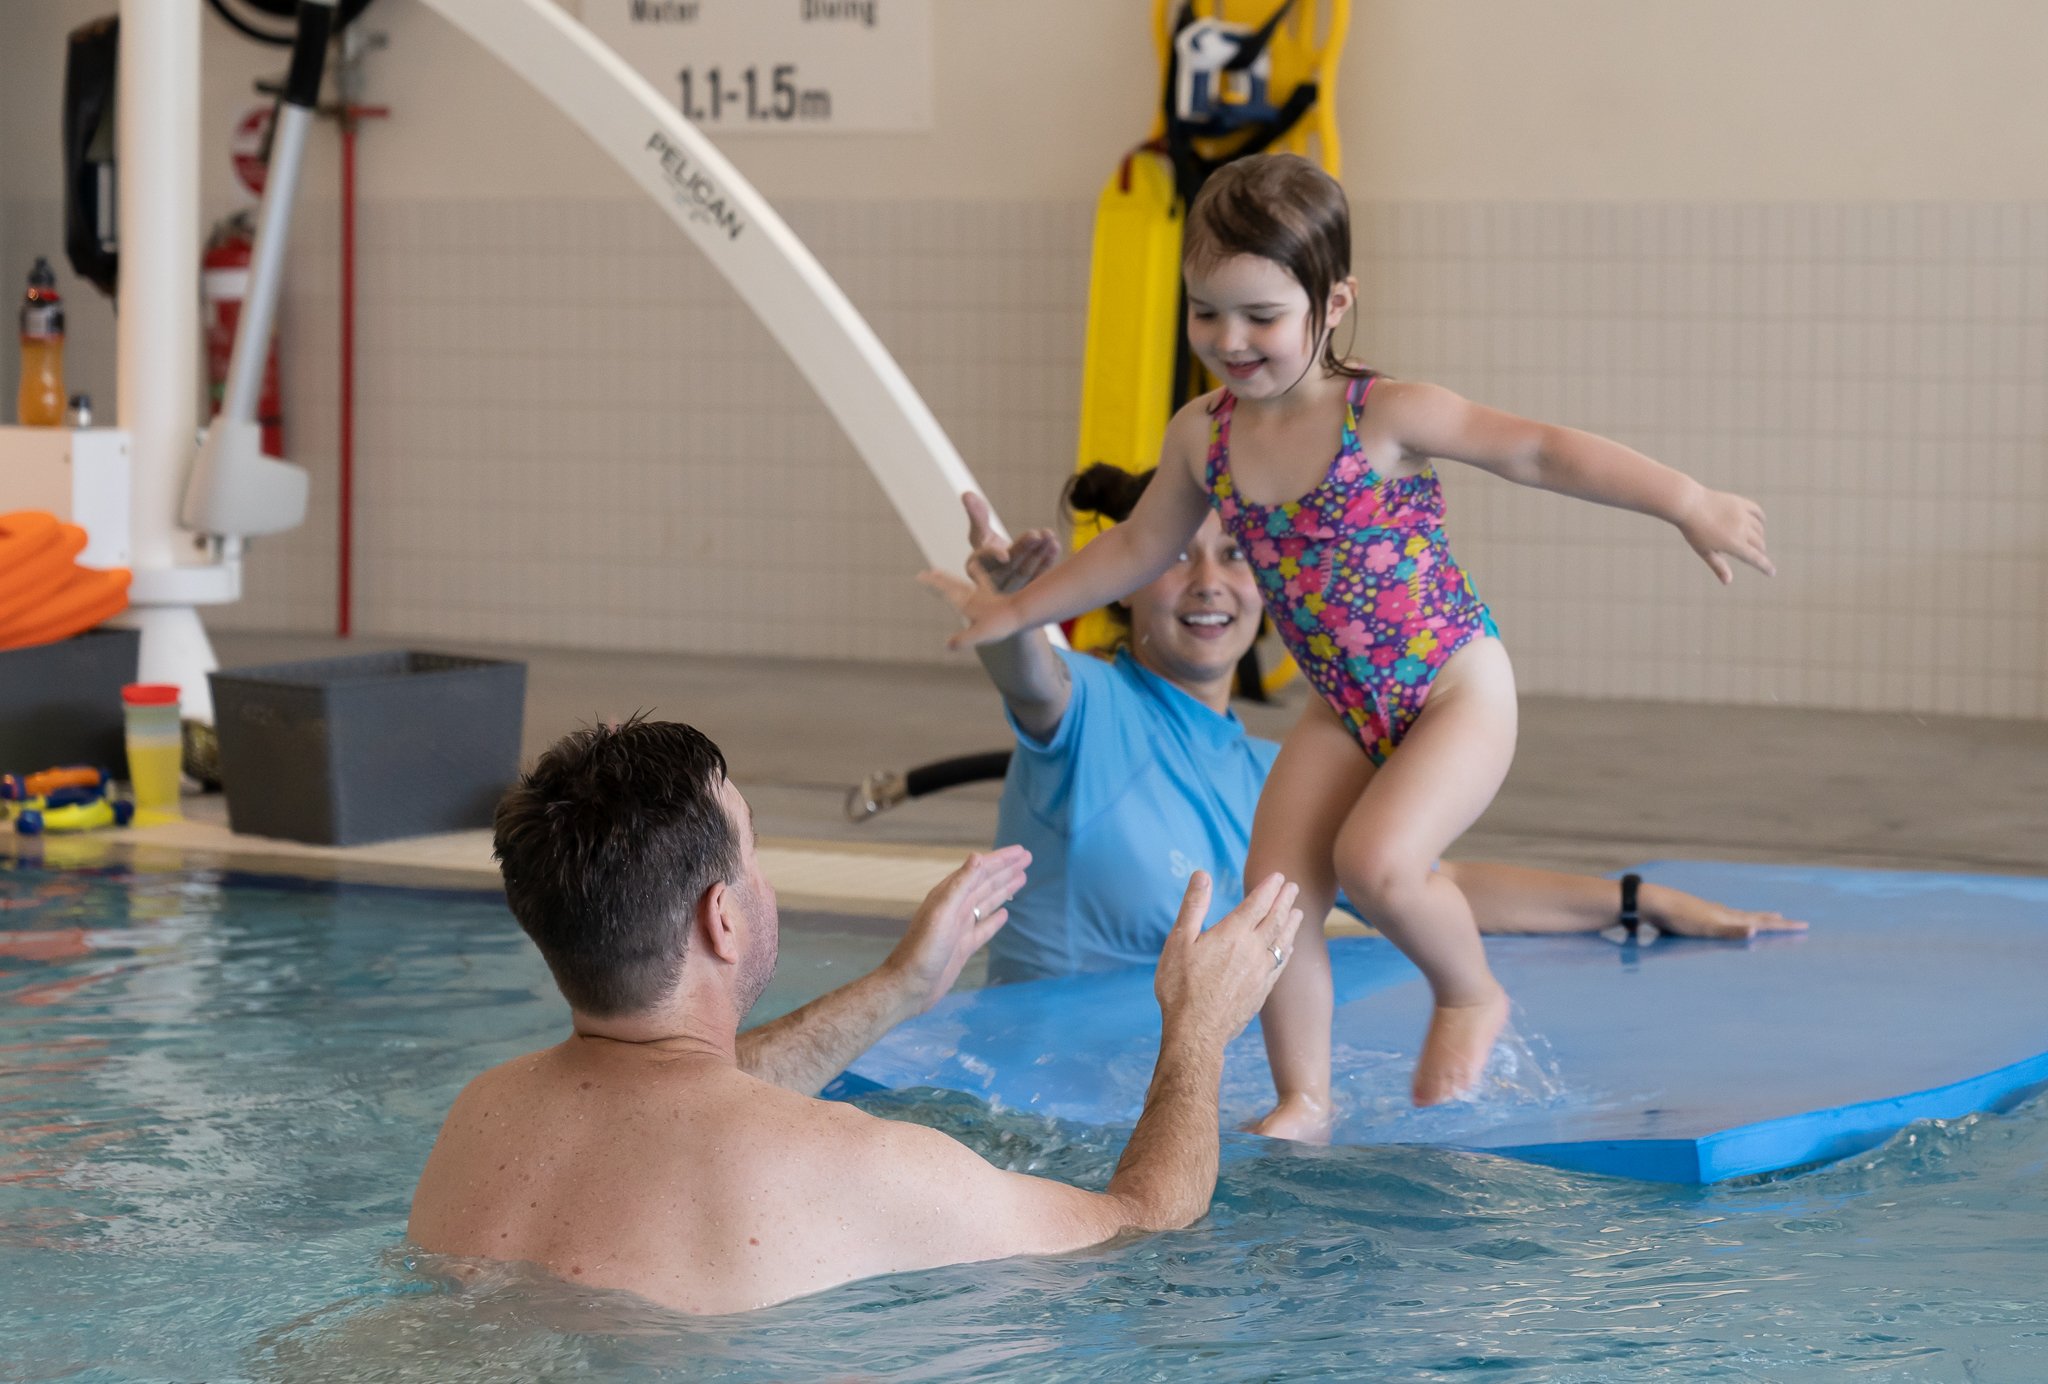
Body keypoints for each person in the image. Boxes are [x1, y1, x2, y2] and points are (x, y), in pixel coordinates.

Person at [932, 152, 1775, 1131]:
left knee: (1378, 862)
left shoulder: (1381, 414)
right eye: (1206, 312)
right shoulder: (1202, 437)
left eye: (1259, 315)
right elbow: (1134, 546)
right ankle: (1304, 1096)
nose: (1228, 340)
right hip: (1343, 705)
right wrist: (1022, 609)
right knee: (1276, 894)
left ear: (1332, 304)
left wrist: (1687, 501)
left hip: (1455, 686)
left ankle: (1467, 994)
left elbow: (1537, 449)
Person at [407, 718, 1305, 1316]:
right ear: (721, 916)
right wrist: (1198, 1029)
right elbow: (1144, 1221)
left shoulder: (482, 1113)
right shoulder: (854, 1166)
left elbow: (676, 1098)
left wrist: (903, 986)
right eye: (754, 853)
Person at [925, 473, 1802, 988]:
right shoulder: (1087, 711)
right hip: (1032, 1106)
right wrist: (1012, 623)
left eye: (1235, 556)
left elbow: (1432, 880)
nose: (1207, 583)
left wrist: (1634, 899)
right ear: (1121, 582)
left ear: (1272, 583)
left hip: (1158, 1106)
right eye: (1174, 558)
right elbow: (1030, 681)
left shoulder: (1278, 776)